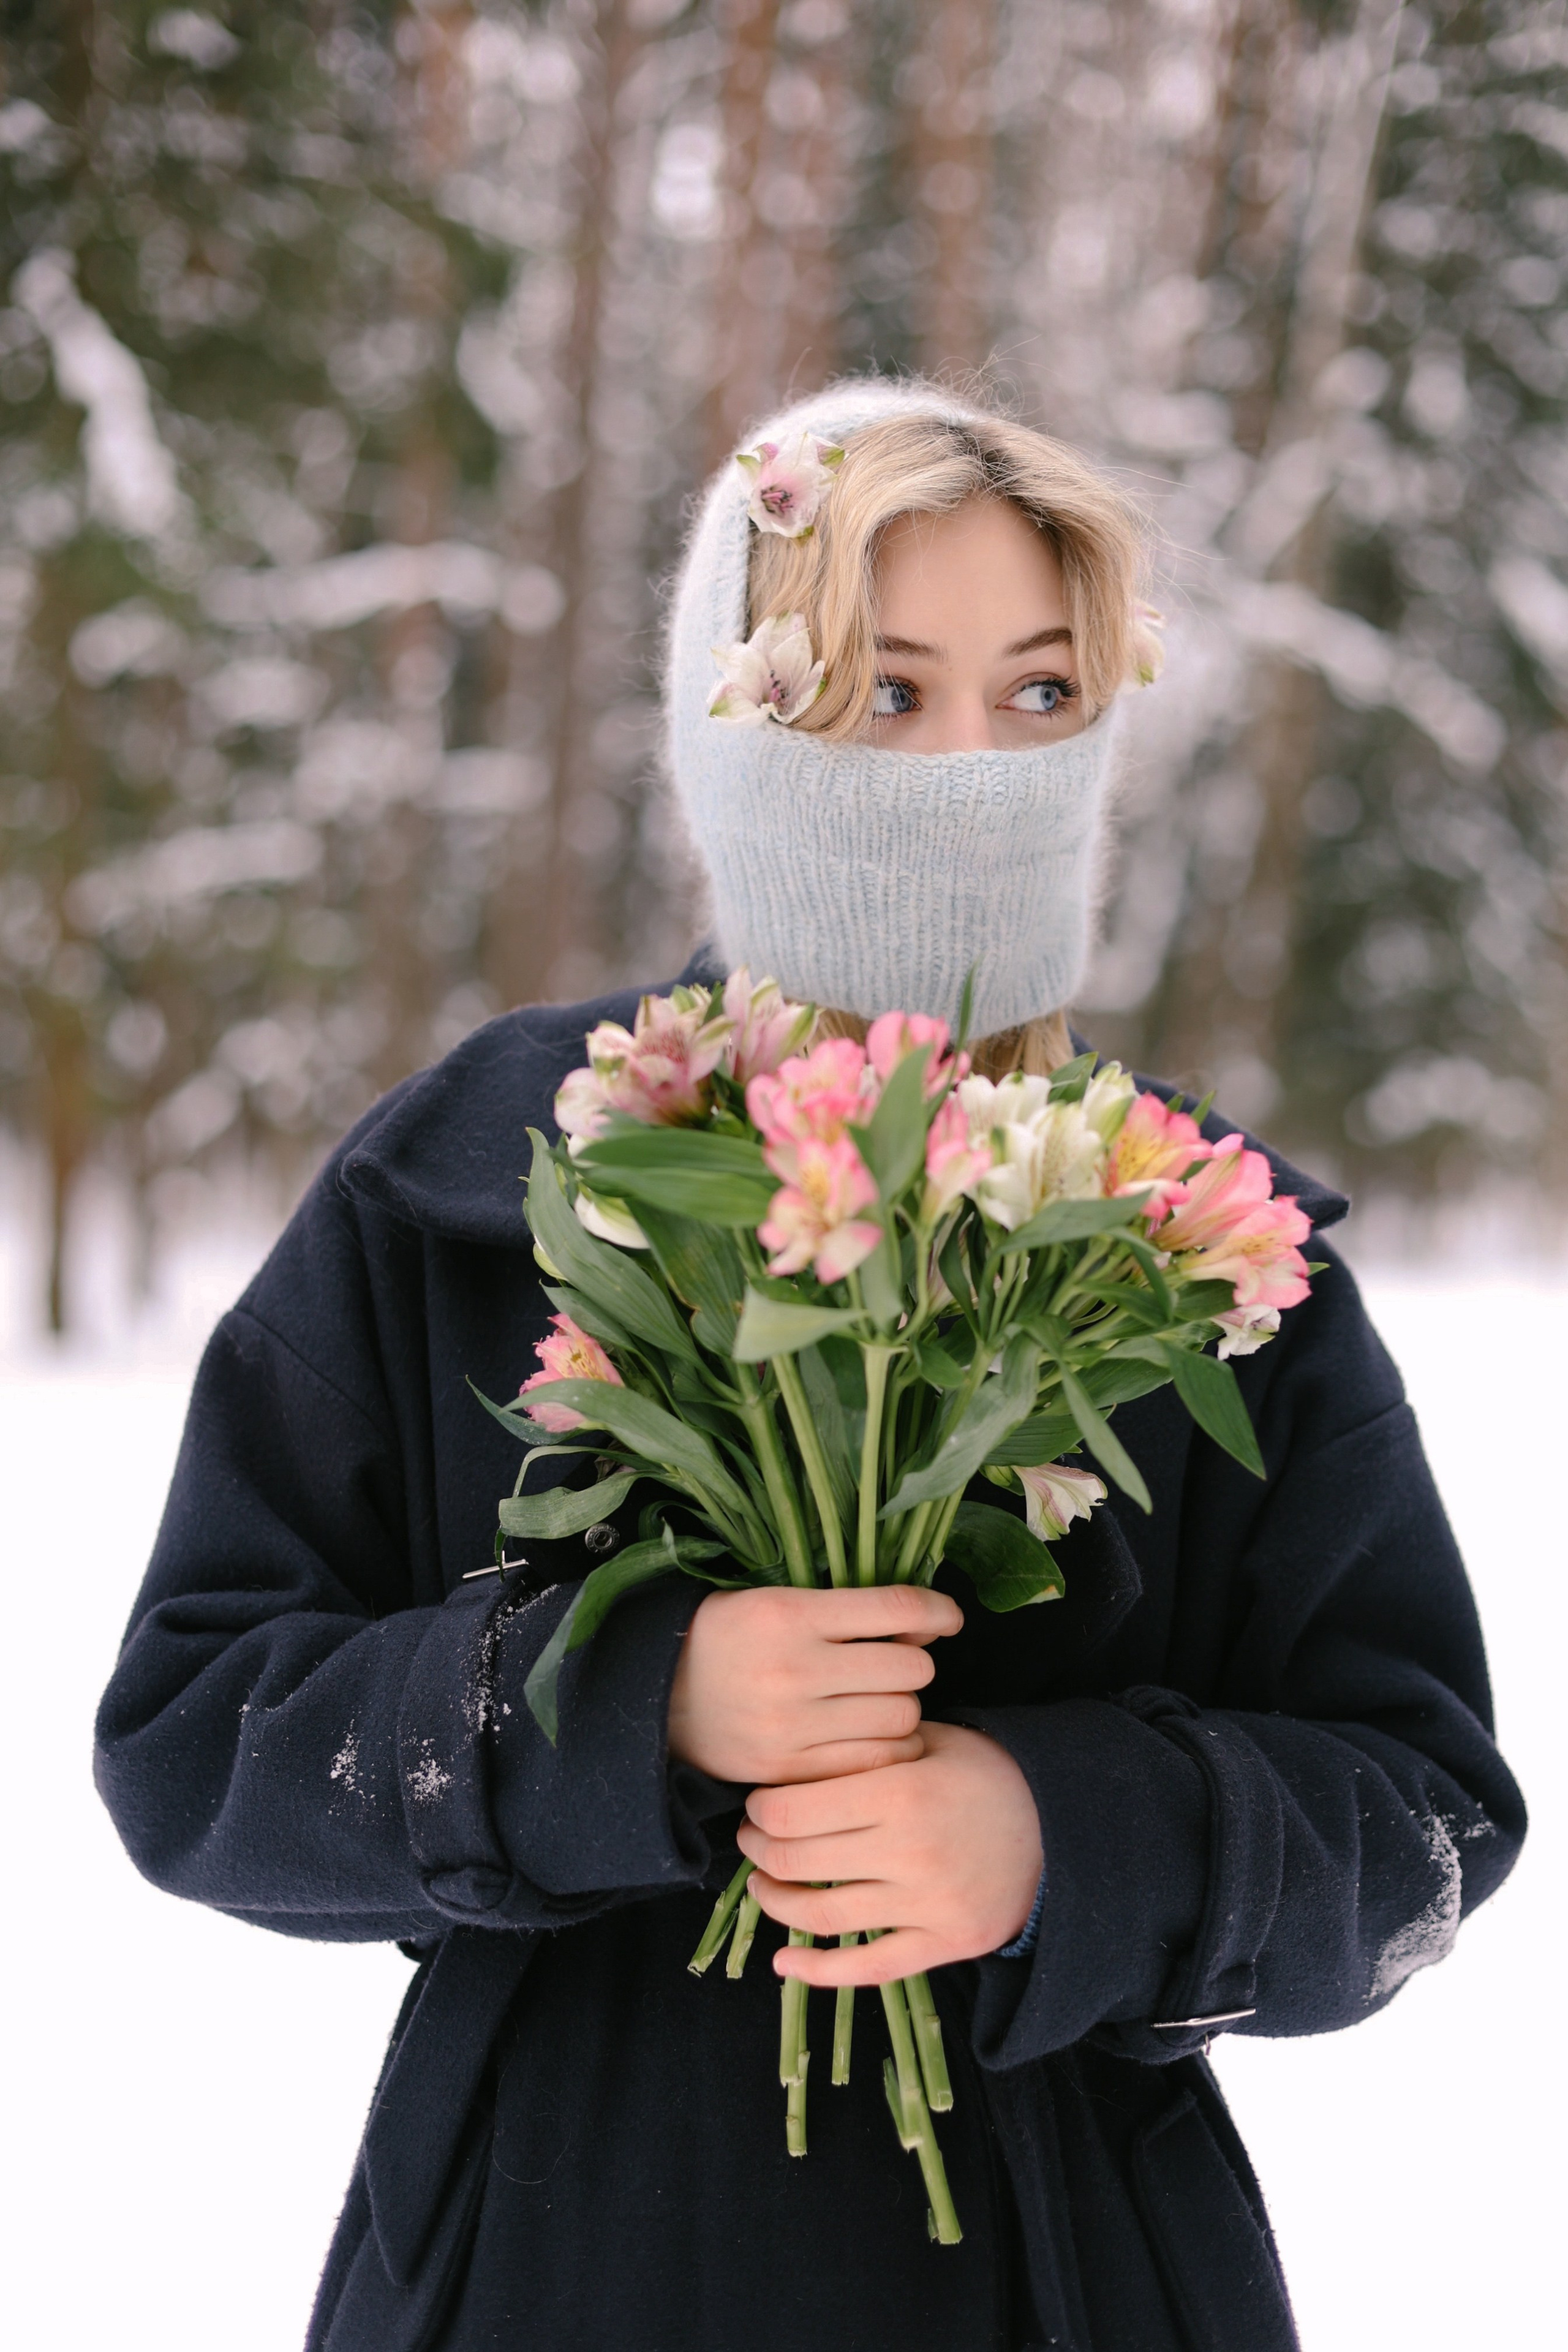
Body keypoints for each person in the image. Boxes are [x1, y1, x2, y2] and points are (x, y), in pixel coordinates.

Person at [94, 380, 1525, 2352]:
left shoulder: (1198, 1238)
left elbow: (1422, 1815)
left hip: (1067, 2269)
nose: (970, 770)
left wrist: (1067, 1837)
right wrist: (625, 1704)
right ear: (738, 716)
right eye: (884, 692)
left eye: (1039, 694)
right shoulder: (484, 1184)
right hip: (548, 2261)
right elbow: (202, 1741)